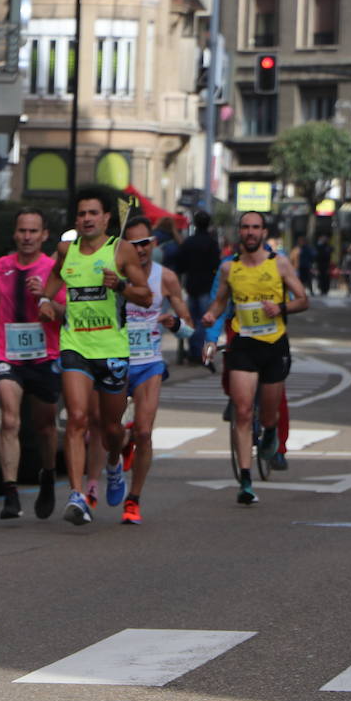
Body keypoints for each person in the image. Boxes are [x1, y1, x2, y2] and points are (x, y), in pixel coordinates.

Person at [36, 191, 152, 525]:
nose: (86, 218)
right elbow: (57, 274)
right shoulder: (65, 249)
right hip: (75, 345)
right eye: (81, 213)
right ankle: (77, 495)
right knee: (76, 418)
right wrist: (46, 298)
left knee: (112, 428)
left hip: (112, 349)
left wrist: (121, 286)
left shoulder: (121, 250)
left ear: (105, 219)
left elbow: (146, 297)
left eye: (93, 213)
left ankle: (114, 464)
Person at [202, 211, 308, 505]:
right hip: (243, 345)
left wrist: (281, 308)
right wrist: (211, 317)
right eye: (245, 227)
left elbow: (303, 299)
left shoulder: (280, 263)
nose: (250, 232)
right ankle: (245, 481)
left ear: (263, 232)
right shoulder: (229, 268)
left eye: (255, 228)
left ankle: (271, 434)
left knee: (270, 414)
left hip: (274, 345)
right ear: (240, 232)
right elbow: (221, 301)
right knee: (244, 411)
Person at [0, 208, 63, 520]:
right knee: (10, 420)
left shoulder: (54, 269)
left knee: (45, 427)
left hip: (44, 355)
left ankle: (48, 476)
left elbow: (66, 313)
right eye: (22, 231)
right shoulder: (1, 266)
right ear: (15, 234)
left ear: (44, 235)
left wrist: (47, 299)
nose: (27, 237)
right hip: (6, 353)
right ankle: (10, 494)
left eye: (33, 232)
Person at [117, 217, 193, 525]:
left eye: (145, 243)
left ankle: (133, 499)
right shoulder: (114, 276)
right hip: (116, 361)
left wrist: (174, 323)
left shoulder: (167, 278)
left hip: (149, 363)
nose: (141, 250)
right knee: (114, 434)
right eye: (133, 245)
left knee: (145, 432)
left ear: (154, 243)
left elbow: (188, 326)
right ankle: (120, 451)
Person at [176, 211, 221, 363]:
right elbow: (217, 265)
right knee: (205, 321)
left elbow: (181, 264)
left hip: (191, 285)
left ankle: (194, 351)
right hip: (206, 286)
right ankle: (202, 353)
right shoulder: (211, 243)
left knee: (192, 320)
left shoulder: (189, 242)